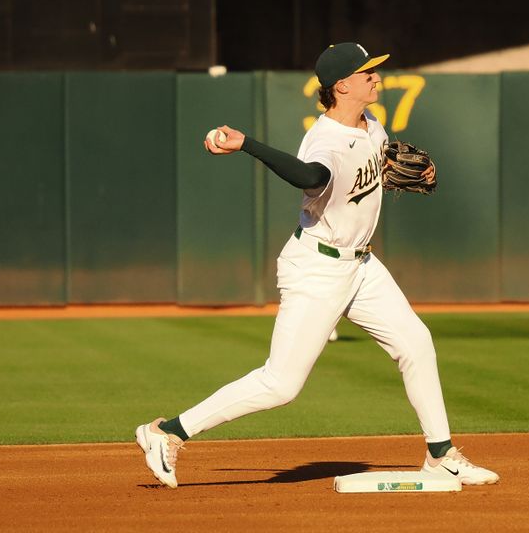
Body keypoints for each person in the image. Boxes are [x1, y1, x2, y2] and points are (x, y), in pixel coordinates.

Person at [135, 42, 499, 488]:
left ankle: (441, 454)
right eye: (368, 73)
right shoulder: (326, 140)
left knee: (416, 343)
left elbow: (373, 167)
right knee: (281, 384)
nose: (377, 78)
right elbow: (311, 176)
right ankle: (167, 432)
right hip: (317, 268)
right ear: (343, 85)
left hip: (362, 266)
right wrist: (248, 144)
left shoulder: (371, 125)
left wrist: (398, 168)